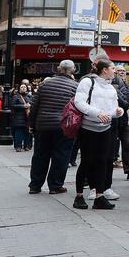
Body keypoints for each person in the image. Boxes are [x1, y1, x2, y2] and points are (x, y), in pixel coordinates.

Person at [71, 59, 124, 210]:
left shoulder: (111, 88)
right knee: (87, 161)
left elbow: (113, 109)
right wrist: (97, 113)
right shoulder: (88, 82)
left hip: (105, 129)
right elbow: (79, 102)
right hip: (88, 128)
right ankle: (79, 196)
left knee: (102, 162)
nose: (115, 71)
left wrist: (118, 112)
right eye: (113, 68)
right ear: (104, 70)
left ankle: (99, 197)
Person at [27, 60, 78, 195]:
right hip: (63, 126)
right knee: (61, 156)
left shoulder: (45, 84)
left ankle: (35, 185)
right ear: (72, 71)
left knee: (40, 156)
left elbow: (34, 106)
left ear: (58, 69)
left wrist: (32, 124)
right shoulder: (75, 86)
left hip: (43, 125)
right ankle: (55, 186)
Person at [9, 83, 31, 151]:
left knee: (27, 133)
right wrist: (23, 106)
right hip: (18, 118)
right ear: (19, 89)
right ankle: (18, 146)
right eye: (22, 87)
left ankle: (26, 146)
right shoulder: (16, 96)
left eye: (25, 87)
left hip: (27, 118)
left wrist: (30, 105)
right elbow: (13, 106)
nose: (23, 88)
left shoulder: (29, 96)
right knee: (19, 133)